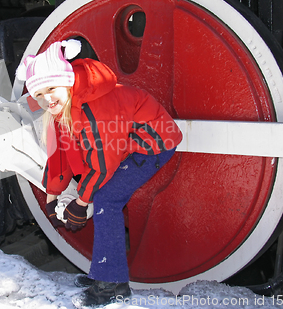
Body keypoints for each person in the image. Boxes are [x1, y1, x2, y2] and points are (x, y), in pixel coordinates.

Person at [16, 40, 182, 308]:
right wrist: (51, 198)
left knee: (106, 199)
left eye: (51, 89)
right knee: (103, 196)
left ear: (66, 82)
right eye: (39, 95)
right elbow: (61, 156)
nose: (46, 100)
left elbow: (103, 163)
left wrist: (81, 204)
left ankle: (112, 285)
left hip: (153, 143)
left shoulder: (97, 107)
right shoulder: (63, 109)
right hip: (127, 141)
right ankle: (103, 274)